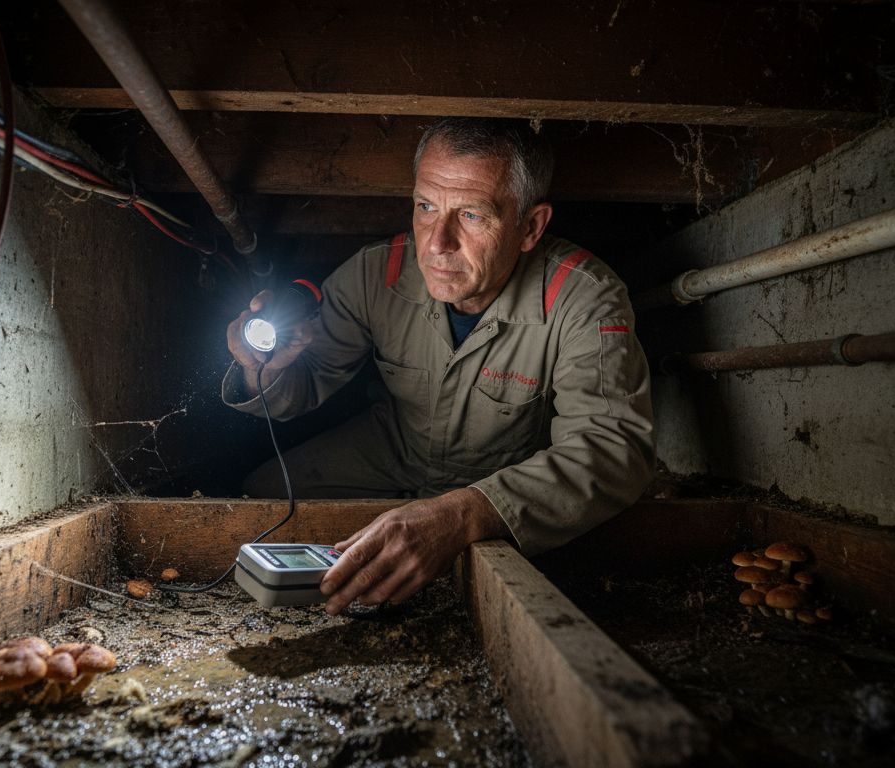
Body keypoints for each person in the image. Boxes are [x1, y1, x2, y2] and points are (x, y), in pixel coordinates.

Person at [223, 117, 654, 614]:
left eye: (471, 215)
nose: (436, 244)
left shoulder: (583, 297)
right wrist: (266, 367)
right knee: (262, 494)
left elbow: (613, 449)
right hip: (399, 449)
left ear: (530, 227)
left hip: (506, 474)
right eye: (426, 206)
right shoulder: (374, 273)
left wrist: (467, 514)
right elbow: (305, 384)